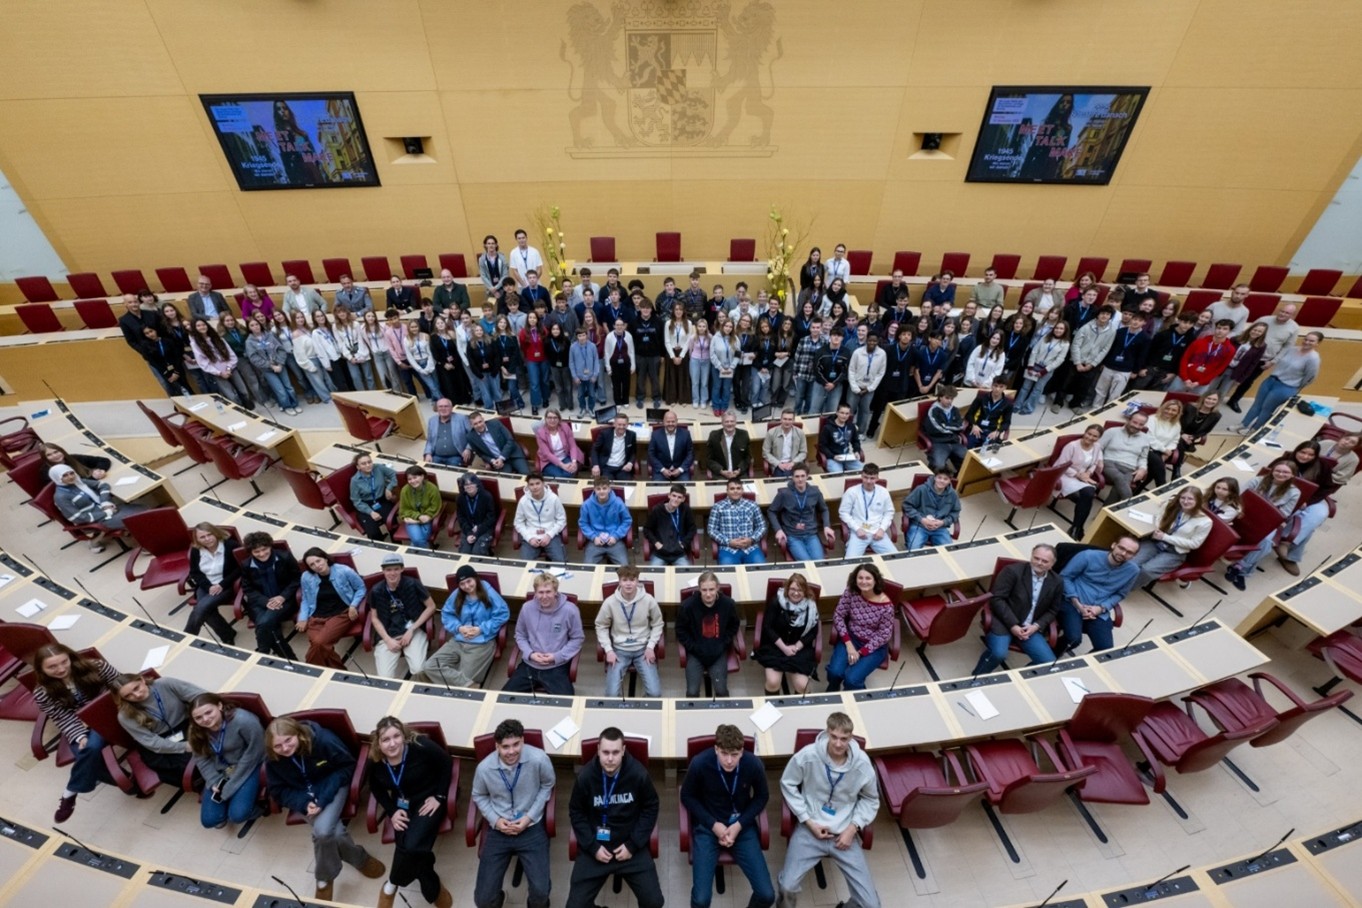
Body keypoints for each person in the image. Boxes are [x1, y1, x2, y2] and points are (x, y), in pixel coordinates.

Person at [265, 717, 385, 900]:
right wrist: (303, 803)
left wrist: (322, 799)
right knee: (333, 833)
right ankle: (359, 858)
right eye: (278, 746)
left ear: (298, 733)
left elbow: (347, 767)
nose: (285, 748)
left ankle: (323, 879)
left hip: (333, 785)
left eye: (288, 740)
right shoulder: (272, 759)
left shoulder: (323, 741)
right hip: (304, 797)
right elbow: (277, 790)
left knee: (322, 832)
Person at [777, 712, 881, 908]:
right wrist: (807, 820)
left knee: (871, 905)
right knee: (787, 887)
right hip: (810, 829)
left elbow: (871, 799)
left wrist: (852, 829)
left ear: (850, 738)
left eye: (844, 739)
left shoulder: (862, 764)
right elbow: (787, 783)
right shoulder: (808, 755)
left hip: (844, 835)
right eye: (834, 737)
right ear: (827, 733)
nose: (838, 744)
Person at [566, 727, 663, 908]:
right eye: (606, 752)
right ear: (598, 750)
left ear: (624, 751)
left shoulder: (638, 774)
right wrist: (592, 846)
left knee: (654, 902)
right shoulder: (586, 777)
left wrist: (633, 845)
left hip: (629, 847)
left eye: (615, 752)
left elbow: (651, 807)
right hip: (596, 847)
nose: (610, 758)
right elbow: (576, 812)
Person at [681, 724, 776, 908]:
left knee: (766, 895)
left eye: (735, 754)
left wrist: (739, 824)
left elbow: (762, 796)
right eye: (724, 754)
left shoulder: (753, 764)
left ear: (742, 751)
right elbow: (687, 795)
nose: (730, 761)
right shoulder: (700, 763)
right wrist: (713, 824)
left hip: (741, 826)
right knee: (701, 900)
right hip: (709, 827)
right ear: (716, 749)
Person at [467, 719, 556, 908]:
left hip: (530, 827)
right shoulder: (484, 769)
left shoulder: (539, 759)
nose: (512, 751)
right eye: (505, 747)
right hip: (499, 830)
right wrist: (495, 820)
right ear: (497, 746)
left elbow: (548, 784)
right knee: (482, 900)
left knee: (541, 893)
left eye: (516, 744)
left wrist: (529, 817)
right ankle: (498, 899)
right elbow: (478, 795)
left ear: (523, 741)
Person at [368, 718, 454, 908]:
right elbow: (375, 786)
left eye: (396, 736)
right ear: (378, 743)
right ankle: (433, 889)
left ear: (404, 735)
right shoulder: (375, 760)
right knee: (413, 850)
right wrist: (391, 811)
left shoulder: (421, 746)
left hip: (427, 801)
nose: (392, 743)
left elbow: (447, 763)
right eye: (386, 739)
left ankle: (391, 885)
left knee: (412, 846)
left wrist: (439, 796)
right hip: (402, 807)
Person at [32, 643, 122, 821]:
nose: (61, 669)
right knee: (86, 750)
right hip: (80, 723)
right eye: (52, 666)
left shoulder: (97, 666)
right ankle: (126, 782)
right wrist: (79, 734)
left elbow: (120, 685)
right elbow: (62, 717)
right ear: (41, 669)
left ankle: (70, 793)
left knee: (92, 746)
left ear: (70, 657)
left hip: (111, 712)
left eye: (64, 662)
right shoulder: (42, 692)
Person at [971, 545, 1063, 674]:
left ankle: (1023, 677)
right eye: (1036, 558)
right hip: (1005, 622)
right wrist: (1013, 625)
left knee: (1048, 663)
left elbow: (1053, 610)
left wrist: (1036, 626)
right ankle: (976, 678)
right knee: (998, 654)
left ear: (1052, 564)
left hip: (1030, 629)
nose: (1039, 563)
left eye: (1044, 561)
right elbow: (997, 599)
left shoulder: (1057, 581)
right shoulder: (1012, 571)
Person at [188, 692, 265, 829]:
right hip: (222, 769)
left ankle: (256, 808)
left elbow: (255, 752)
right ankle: (233, 803)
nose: (205, 719)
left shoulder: (244, 721)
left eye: (208, 712)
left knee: (237, 815)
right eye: (198, 717)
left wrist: (230, 787)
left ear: (219, 705)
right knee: (209, 821)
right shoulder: (196, 729)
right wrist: (213, 780)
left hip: (249, 765)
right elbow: (200, 757)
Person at [424, 566, 510, 688]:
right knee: (429, 666)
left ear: (475, 578)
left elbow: (503, 614)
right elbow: (446, 614)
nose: (467, 586)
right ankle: (468, 685)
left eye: (469, 581)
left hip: (482, 642)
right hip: (458, 640)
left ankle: (464, 683)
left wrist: (481, 629)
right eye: (462, 584)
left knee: (465, 676)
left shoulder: (488, 591)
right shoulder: (457, 594)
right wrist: (459, 628)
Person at [114, 672, 204, 787]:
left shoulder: (165, 684)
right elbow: (152, 742)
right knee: (189, 767)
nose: (136, 695)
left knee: (211, 747)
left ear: (142, 680)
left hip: (185, 724)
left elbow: (201, 696)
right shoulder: (125, 715)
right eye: (128, 696)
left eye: (137, 688)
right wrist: (185, 746)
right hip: (159, 740)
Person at [1057, 537, 1143, 655]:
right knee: (1073, 639)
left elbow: (1120, 594)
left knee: (1105, 650)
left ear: (1134, 556)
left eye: (1129, 552)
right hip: (1072, 603)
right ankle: (1049, 658)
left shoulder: (1133, 570)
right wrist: (1077, 603)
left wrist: (1101, 608)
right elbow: (1065, 577)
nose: (1123, 553)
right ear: (1113, 545)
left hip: (1099, 611)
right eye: (1121, 548)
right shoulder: (1088, 556)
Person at [1225, 461, 1302, 590]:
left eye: (1286, 472)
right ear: (1272, 470)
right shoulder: (1257, 481)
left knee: (1267, 542)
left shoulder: (1294, 492)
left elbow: (1284, 513)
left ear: (1292, 475)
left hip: (1267, 521)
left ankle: (1240, 567)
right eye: (1278, 470)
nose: (1281, 474)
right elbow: (1239, 498)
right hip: (1244, 514)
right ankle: (1243, 569)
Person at [504, 573, 584, 695]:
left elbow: (577, 639)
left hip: (556, 666)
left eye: (548, 592)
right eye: (540, 592)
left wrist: (557, 657)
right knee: (504, 698)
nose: (544, 596)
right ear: (535, 593)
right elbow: (520, 635)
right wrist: (530, 654)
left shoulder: (570, 610)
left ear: (555, 592)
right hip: (530, 664)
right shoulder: (526, 608)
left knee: (567, 704)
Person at [1232, 331, 1324, 434]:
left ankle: (1254, 430)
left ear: (1318, 343)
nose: (1307, 342)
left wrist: (1296, 387)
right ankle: (1244, 424)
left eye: (1311, 341)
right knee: (1257, 404)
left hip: (1286, 386)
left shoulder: (1313, 358)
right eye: (1306, 339)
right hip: (1271, 380)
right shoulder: (1292, 349)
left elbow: (1310, 377)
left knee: (1266, 408)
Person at [366, 553, 438, 680]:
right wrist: (388, 640)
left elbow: (431, 607)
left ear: (402, 569)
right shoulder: (376, 591)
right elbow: (374, 617)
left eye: (396, 569)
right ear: (383, 570)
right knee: (385, 679)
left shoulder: (413, 584)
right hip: (388, 635)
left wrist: (412, 629)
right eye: (388, 570)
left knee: (418, 670)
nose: (392, 573)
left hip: (412, 630)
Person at [597, 566, 664, 697]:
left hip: (643, 649)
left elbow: (658, 624)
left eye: (632, 580)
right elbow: (601, 626)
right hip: (619, 650)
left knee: (655, 694)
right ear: (619, 582)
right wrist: (608, 650)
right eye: (624, 580)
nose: (628, 583)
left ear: (638, 581)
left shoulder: (648, 600)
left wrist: (650, 647)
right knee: (610, 695)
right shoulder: (610, 602)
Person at [48, 463, 145, 553]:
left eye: (71, 473)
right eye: (65, 475)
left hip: (105, 509)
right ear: (57, 478)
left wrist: (105, 502)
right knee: (136, 519)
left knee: (142, 508)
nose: (70, 477)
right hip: (96, 519)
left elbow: (103, 485)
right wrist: (106, 513)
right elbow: (77, 517)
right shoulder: (61, 496)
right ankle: (146, 546)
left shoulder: (78, 482)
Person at [1129, 488, 1214, 588]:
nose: (1185, 501)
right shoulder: (1173, 507)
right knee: (1132, 562)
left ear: (1198, 501)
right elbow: (1159, 517)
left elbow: (1194, 544)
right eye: (1183, 498)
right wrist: (1158, 527)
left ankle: (1124, 589)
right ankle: (1116, 581)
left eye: (1190, 499)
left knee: (1146, 570)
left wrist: (1165, 537)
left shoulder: (1205, 522)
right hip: (1156, 542)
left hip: (1175, 552)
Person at [298, 547, 366, 669]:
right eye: (312, 565)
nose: (316, 566)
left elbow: (361, 588)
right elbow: (305, 599)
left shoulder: (344, 571)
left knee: (319, 643)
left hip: (341, 614)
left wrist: (353, 605)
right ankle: (340, 672)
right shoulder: (306, 577)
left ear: (325, 558)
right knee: (320, 646)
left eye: (318, 561)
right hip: (316, 616)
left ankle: (311, 670)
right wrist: (303, 617)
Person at [676, 573, 741, 697]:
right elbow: (680, 630)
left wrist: (723, 643)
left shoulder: (728, 604)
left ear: (717, 588)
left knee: (722, 691)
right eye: (704, 590)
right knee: (692, 692)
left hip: (718, 652)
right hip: (696, 653)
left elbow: (734, 625)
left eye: (711, 589)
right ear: (699, 589)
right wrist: (693, 647)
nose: (708, 594)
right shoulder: (687, 606)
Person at [755, 574, 820, 695]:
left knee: (803, 686)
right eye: (793, 589)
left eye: (800, 590)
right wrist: (784, 648)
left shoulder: (811, 606)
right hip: (776, 647)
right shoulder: (776, 601)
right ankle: (772, 708)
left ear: (805, 591)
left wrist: (797, 647)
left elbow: (813, 631)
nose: (796, 593)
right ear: (787, 589)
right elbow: (767, 627)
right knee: (773, 682)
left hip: (799, 649)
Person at [238, 531, 300, 658]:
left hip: (284, 599)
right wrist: (265, 601)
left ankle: (263, 653)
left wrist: (282, 597)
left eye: (264, 549)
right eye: (256, 552)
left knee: (264, 623)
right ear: (251, 553)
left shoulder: (285, 557)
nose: (262, 554)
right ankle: (290, 659)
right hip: (260, 602)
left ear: (270, 546)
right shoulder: (246, 564)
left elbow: (297, 579)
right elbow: (248, 588)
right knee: (269, 628)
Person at [184, 522, 240, 644]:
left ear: (216, 533)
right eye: (202, 537)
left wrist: (222, 585)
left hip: (226, 585)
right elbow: (195, 572)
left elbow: (239, 569)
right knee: (207, 610)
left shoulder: (231, 545)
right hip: (206, 586)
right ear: (197, 539)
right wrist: (208, 586)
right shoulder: (196, 550)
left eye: (209, 534)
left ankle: (186, 638)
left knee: (201, 608)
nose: (207, 539)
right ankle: (227, 635)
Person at [1055, 305, 1116, 411]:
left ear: (1110, 317)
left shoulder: (1112, 331)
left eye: (1107, 314)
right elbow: (1076, 345)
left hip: (1091, 363)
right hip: (1077, 360)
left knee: (1084, 386)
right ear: (1098, 315)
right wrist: (1077, 362)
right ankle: (1058, 402)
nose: (1104, 316)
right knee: (1065, 382)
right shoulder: (1086, 327)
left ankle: (1075, 404)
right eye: (1102, 313)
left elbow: (1105, 349)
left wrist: (1092, 364)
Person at [769, 464, 834, 561]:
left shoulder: (815, 492)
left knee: (819, 562)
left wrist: (827, 526)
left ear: (807, 476)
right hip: (793, 535)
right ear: (792, 477)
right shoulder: (784, 494)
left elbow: (824, 509)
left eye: (803, 476)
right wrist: (778, 530)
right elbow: (771, 511)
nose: (800, 479)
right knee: (806, 562)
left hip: (811, 534)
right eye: (797, 476)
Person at [1053, 424, 1105, 539]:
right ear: (1085, 432)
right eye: (1089, 434)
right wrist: (1078, 475)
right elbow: (1061, 465)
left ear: (1098, 438)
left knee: (1088, 494)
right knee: (1087, 495)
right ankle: (1079, 528)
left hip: (1083, 476)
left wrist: (1089, 473)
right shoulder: (1072, 446)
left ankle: (1076, 527)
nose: (1090, 438)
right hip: (1066, 475)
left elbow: (1095, 463)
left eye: (1095, 436)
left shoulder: (1097, 447)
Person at [840, 463, 897, 557]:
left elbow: (889, 512)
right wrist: (856, 529)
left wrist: (882, 529)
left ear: (877, 478)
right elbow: (843, 513)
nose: (868, 481)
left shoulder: (884, 492)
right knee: (850, 562)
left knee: (895, 558)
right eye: (865, 477)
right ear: (861, 476)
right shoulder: (851, 492)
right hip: (859, 533)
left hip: (878, 532)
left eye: (872, 478)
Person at [708, 479, 767, 565]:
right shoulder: (718, 507)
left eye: (738, 488)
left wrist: (752, 539)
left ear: (742, 490)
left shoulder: (752, 505)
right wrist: (728, 541)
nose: (735, 491)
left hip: (750, 547)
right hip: (728, 548)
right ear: (727, 491)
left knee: (761, 570)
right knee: (729, 574)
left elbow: (762, 526)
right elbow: (711, 530)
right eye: (732, 489)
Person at [902, 468, 961, 550]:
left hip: (939, 527)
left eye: (945, 479)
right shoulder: (921, 489)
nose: (942, 481)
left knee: (950, 550)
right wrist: (921, 519)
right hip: (920, 525)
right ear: (935, 478)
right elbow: (907, 505)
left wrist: (943, 522)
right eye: (939, 477)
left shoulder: (953, 494)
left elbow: (955, 512)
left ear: (949, 481)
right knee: (913, 549)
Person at [515, 473, 567, 562]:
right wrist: (529, 538)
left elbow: (562, 520)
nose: (535, 487)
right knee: (525, 565)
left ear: (543, 484)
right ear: (528, 486)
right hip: (531, 536)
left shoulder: (554, 498)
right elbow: (518, 523)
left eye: (537, 483)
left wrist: (549, 535)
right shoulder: (523, 501)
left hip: (550, 535)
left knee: (560, 562)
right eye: (531, 484)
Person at [1174, 318, 1237, 393]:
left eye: (1224, 329)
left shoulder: (1230, 350)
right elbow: (1185, 359)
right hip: (1183, 379)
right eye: (1218, 328)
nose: (1220, 331)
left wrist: (1199, 382)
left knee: (1194, 404)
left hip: (1201, 384)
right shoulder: (1199, 342)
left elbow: (1219, 369)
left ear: (1230, 331)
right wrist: (1185, 378)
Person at [1100, 413, 1151, 503]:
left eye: (1141, 424)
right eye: (1135, 422)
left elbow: (1143, 457)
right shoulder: (1112, 431)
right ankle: (1130, 504)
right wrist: (1099, 460)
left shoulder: (1145, 438)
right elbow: (1098, 448)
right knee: (1120, 479)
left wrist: (1143, 468)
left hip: (1130, 468)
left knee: (1118, 489)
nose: (1137, 426)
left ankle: (1101, 515)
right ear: (1128, 420)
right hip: (1110, 463)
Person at [642, 484, 697, 567]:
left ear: (683, 499)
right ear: (669, 495)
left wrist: (684, 544)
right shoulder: (657, 510)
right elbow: (647, 529)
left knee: (687, 575)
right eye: (674, 496)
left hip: (679, 553)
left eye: (679, 497)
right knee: (653, 575)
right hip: (661, 553)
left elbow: (692, 529)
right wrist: (656, 543)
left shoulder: (686, 509)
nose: (675, 499)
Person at [348, 452, 399, 541]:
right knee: (373, 533)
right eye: (363, 464)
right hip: (365, 505)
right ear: (358, 467)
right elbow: (356, 501)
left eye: (369, 462)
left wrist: (389, 488)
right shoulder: (355, 480)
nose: (368, 465)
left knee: (393, 524)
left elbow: (396, 475)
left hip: (382, 500)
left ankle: (398, 545)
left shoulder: (378, 468)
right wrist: (370, 512)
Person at [580, 477, 632, 565]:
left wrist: (616, 536)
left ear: (609, 489)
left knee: (624, 567)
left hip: (614, 540)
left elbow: (627, 520)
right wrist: (593, 537)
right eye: (598, 489)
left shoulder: (618, 503)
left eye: (604, 488)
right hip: (596, 541)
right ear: (594, 490)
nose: (601, 491)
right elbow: (583, 523)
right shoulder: (586, 505)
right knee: (587, 567)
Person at [467, 411, 531, 475]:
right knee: (505, 479)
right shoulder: (470, 437)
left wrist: (501, 458)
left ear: (483, 420)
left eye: (480, 422)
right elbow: (480, 453)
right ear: (471, 425)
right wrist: (491, 460)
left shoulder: (495, 423)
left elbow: (510, 440)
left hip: (512, 454)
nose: (479, 425)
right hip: (497, 461)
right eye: (475, 424)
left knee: (526, 474)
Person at [922, 386, 967, 473]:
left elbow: (960, 426)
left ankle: (958, 479)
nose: (949, 401)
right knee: (939, 465)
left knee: (968, 460)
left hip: (954, 441)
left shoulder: (955, 410)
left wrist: (945, 426)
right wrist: (953, 429)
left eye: (952, 399)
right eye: (947, 398)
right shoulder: (933, 410)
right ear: (940, 397)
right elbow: (936, 428)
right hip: (939, 442)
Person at [395, 465, 441, 549]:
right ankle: (427, 553)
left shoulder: (432, 489)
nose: (412, 481)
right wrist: (418, 517)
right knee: (418, 540)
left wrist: (426, 516)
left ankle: (414, 549)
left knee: (417, 541)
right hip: (412, 519)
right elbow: (403, 509)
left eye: (415, 477)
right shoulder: (405, 490)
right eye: (409, 479)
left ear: (422, 476)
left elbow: (435, 506)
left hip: (427, 518)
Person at [964, 377, 1013, 449]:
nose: (997, 389)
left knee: (988, 451)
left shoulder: (1008, 404)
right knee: (968, 446)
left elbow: (1007, 422)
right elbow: (969, 414)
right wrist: (974, 425)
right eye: (995, 386)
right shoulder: (981, 398)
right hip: (977, 428)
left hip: (992, 431)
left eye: (1001, 387)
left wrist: (998, 431)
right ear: (992, 385)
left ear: (1005, 387)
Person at [533, 410, 583, 479]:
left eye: (555, 418)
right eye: (549, 418)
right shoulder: (540, 433)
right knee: (560, 477)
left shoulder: (565, 427)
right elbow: (547, 454)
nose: (552, 420)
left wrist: (574, 462)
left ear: (559, 419)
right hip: (549, 461)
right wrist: (563, 465)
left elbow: (573, 446)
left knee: (570, 471)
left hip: (566, 456)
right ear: (545, 419)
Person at [647, 409, 694, 480]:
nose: (670, 424)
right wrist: (662, 469)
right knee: (657, 489)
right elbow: (651, 454)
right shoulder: (655, 435)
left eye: (673, 421)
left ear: (677, 421)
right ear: (663, 422)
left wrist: (680, 469)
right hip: (661, 470)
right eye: (668, 422)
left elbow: (690, 453)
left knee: (685, 487)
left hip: (680, 469)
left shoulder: (686, 434)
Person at [424, 399, 472, 467]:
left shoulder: (462, 419)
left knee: (453, 473)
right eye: (440, 406)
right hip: (436, 456)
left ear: (451, 408)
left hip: (456, 456)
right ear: (437, 408)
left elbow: (472, 436)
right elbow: (429, 441)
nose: (443, 409)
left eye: (446, 406)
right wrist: (428, 453)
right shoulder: (432, 420)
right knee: (430, 470)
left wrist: (468, 449)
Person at [819, 403, 865, 473]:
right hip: (833, 458)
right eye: (842, 413)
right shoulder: (828, 428)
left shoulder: (851, 426)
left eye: (847, 414)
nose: (844, 416)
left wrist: (856, 451)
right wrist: (833, 456)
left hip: (847, 456)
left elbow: (855, 441)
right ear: (837, 413)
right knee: (839, 474)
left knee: (864, 470)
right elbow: (822, 446)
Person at [591, 412, 637, 480]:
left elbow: (633, 452)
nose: (621, 427)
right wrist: (595, 465)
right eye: (619, 424)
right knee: (606, 487)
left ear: (627, 425)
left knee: (626, 486)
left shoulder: (632, 435)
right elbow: (595, 449)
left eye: (624, 425)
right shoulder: (605, 434)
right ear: (614, 424)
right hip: (606, 467)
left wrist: (630, 463)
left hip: (622, 467)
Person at [708, 410, 753, 479]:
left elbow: (748, 457)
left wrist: (739, 470)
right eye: (726, 421)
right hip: (721, 475)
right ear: (722, 423)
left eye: (732, 421)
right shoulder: (714, 436)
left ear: (735, 422)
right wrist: (721, 471)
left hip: (739, 474)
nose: (729, 424)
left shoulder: (743, 435)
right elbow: (709, 459)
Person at [763, 409, 807, 478]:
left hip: (795, 463)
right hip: (778, 464)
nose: (787, 422)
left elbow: (803, 452)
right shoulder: (771, 433)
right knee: (784, 479)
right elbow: (765, 453)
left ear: (793, 420)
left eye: (790, 419)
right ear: (781, 419)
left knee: (799, 479)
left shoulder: (800, 433)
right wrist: (778, 464)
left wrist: (793, 463)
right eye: (785, 419)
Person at [569, 326, 601, 418]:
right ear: (577, 337)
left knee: (592, 394)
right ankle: (582, 408)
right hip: (579, 377)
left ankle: (591, 409)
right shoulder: (573, 347)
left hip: (591, 376)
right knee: (580, 395)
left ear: (587, 335)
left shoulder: (592, 346)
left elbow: (596, 361)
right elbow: (571, 362)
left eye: (583, 335)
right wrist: (574, 376)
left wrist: (595, 375)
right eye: (580, 336)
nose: (582, 337)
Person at [40, 442, 109, 482]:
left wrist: (100, 470)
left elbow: (103, 460)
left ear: (62, 450)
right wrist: (93, 478)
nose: (55, 456)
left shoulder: (73, 458)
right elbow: (74, 486)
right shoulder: (48, 472)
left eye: (56, 452)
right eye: (49, 455)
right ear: (45, 458)